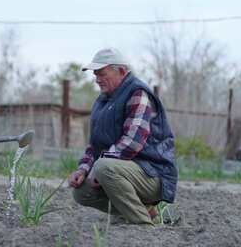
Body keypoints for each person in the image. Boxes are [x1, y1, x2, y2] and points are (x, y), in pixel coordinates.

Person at [68, 47, 178, 225]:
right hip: (124, 170)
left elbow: (132, 142)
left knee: (104, 167)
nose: (97, 79)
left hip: (152, 174)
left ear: (121, 71)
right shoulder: (102, 101)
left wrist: (97, 168)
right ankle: (145, 211)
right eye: (95, 74)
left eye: (101, 73)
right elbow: (94, 146)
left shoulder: (137, 93)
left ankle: (144, 225)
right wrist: (83, 170)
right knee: (81, 191)